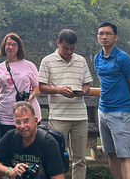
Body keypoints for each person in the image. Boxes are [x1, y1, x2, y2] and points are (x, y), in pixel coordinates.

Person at [38, 29, 92, 179]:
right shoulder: (47, 61)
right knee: (56, 156)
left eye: (72, 49)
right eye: (65, 48)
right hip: (58, 115)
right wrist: (59, 90)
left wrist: (82, 91)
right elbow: (41, 87)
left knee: (80, 158)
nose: (69, 52)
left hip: (80, 116)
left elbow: (87, 86)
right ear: (58, 43)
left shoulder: (80, 60)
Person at [94, 22, 130, 179]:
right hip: (103, 111)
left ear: (116, 37)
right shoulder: (97, 58)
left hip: (121, 111)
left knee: (125, 155)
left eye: (108, 33)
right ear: (97, 37)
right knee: (111, 153)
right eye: (101, 33)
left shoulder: (123, 58)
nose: (104, 37)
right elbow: (104, 82)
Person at [0, 102, 65, 179]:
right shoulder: (11, 136)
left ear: (36, 121)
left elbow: (58, 177)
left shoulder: (48, 142)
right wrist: (10, 171)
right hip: (17, 177)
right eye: (18, 122)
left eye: (26, 121)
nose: (22, 126)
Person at [0, 33, 41, 136]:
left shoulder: (29, 66)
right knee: (8, 147)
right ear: (4, 46)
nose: (11, 47)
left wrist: (31, 95)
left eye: (14, 45)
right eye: (8, 44)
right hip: (5, 116)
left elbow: (37, 87)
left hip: (27, 113)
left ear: (19, 47)